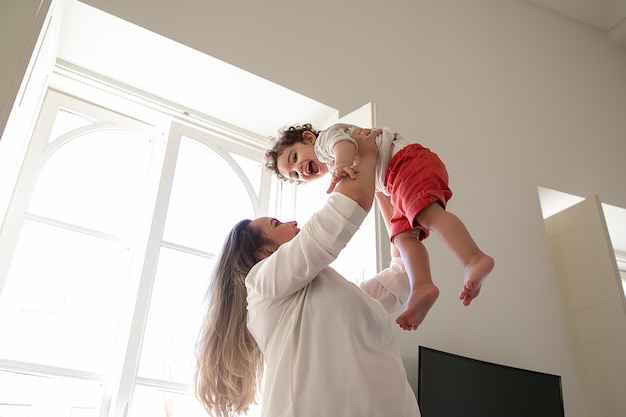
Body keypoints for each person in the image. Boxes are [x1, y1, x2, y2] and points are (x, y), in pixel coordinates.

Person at [194, 128, 421, 417]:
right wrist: (367, 154)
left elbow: (401, 278)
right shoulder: (262, 284)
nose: (292, 221)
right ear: (264, 253)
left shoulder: (335, 295)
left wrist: (381, 191)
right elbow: (342, 213)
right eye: (277, 224)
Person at [264, 123, 494, 331]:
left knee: (429, 215)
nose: (300, 170)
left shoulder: (327, 140)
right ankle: (422, 286)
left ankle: (473, 257)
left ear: (308, 138)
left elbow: (342, 144)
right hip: (395, 183)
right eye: (295, 175)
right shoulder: (336, 159)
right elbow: (375, 186)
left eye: (294, 157)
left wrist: (343, 164)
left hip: (407, 163)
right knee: (402, 237)